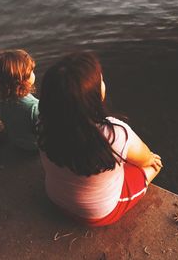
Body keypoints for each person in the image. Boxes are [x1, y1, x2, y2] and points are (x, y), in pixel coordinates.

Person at [37, 52, 163, 227]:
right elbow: (145, 157)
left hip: (55, 198)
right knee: (154, 163)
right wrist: (146, 159)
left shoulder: (43, 122)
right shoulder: (115, 132)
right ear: (93, 95)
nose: (103, 83)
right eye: (101, 81)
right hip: (97, 215)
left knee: (119, 156)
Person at [0, 49, 38, 150]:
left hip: (16, 142)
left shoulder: (1, 99)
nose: (33, 74)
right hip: (35, 146)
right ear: (22, 80)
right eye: (31, 71)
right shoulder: (34, 106)